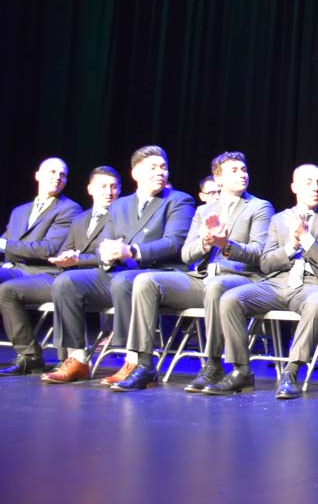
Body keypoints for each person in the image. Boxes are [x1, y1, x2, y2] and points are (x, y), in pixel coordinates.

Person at [113, 151, 274, 392]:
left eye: (244, 170)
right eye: (234, 171)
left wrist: (227, 246)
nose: (242, 174)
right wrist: (205, 244)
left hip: (241, 279)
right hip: (202, 278)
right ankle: (144, 364)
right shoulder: (204, 211)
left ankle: (213, 364)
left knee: (215, 286)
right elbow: (186, 254)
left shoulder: (259, 207)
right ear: (218, 179)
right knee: (145, 280)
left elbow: (260, 254)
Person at [44, 146, 195, 384]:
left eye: (163, 167)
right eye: (152, 168)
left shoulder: (178, 201)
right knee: (67, 282)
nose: (160, 172)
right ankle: (77, 359)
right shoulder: (119, 206)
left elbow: (174, 243)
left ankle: (133, 361)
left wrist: (132, 250)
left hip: (158, 274)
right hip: (120, 273)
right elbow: (107, 242)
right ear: (135, 173)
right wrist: (105, 254)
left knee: (125, 281)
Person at [206, 164, 318, 399]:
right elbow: (267, 264)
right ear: (294, 187)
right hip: (277, 283)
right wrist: (291, 247)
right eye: (309, 182)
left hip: (313, 285)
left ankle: (291, 372)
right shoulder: (280, 219)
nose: (316, 188)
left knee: (317, 302)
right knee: (230, 299)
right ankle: (241, 371)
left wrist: (307, 238)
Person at [0, 166, 118, 376]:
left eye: (113, 187)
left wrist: (77, 260)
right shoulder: (81, 218)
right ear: (90, 189)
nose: (108, 192)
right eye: (102, 186)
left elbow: (114, 254)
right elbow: (65, 250)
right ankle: (30, 357)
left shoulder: (120, 216)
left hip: (98, 279)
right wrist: (64, 258)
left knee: (65, 285)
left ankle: (71, 360)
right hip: (63, 274)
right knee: (8, 291)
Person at [0, 157, 81, 283]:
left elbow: (48, 249)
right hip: (12, 268)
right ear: (37, 176)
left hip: (39, 273)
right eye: (52, 172)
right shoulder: (19, 211)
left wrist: (4, 245)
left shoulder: (69, 209)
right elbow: (7, 244)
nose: (58, 177)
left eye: (62, 175)